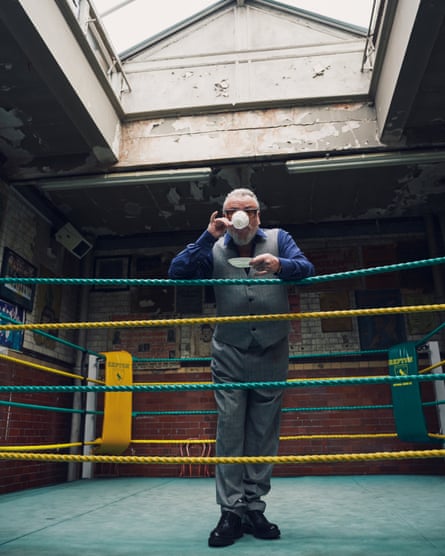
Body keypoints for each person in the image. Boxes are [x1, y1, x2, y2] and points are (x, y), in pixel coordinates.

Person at [168, 188, 315, 547]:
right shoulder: (214, 246)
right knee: (230, 432)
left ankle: (254, 507)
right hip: (230, 351)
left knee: (264, 432)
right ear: (224, 215)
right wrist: (207, 236)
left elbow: (307, 269)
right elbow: (177, 273)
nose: (242, 217)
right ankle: (230, 512)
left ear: (258, 216)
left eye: (248, 211)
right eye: (234, 211)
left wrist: (280, 266)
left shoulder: (280, 239)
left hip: (272, 350)